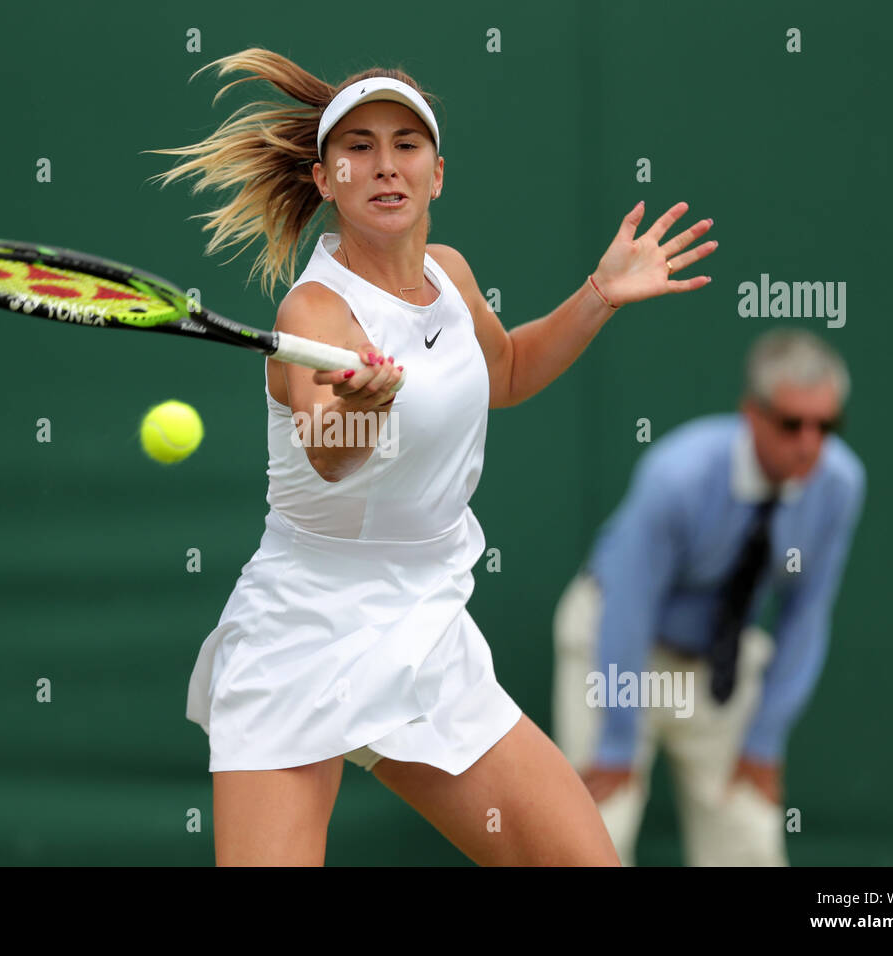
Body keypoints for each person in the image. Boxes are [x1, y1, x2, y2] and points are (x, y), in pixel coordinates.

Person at [146, 47, 716, 866]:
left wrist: (598, 296)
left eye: (406, 144)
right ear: (325, 178)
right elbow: (328, 458)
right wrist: (358, 412)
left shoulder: (449, 274)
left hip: (424, 621)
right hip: (302, 631)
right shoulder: (314, 310)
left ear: (437, 173)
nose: (385, 166)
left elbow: (507, 372)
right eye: (360, 148)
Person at [551, 329, 865, 866]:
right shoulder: (678, 475)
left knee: (748, 835)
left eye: (826, 426)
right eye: (792, 423)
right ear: (753, 413)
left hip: (718, 658)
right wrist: (619, 739)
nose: (810, 443)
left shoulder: (839, 484)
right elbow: (628, 604)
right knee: (594, 834)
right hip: (617, 650)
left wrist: (765, 737)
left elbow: (806, 614)